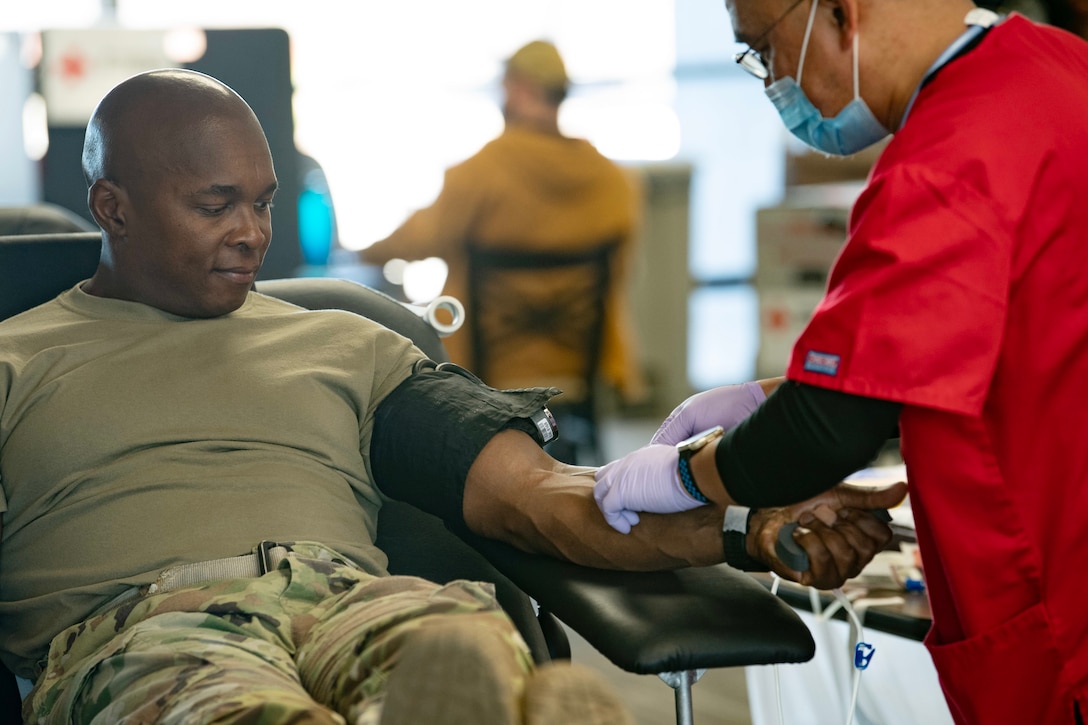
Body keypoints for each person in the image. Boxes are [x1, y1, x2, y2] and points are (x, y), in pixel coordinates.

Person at [0, 68, 906, 724]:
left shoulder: (348, 341)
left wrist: (751, 522)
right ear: (112, 207)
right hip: (147, 629)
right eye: (216, 205)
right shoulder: (15, 359)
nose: (253, 236)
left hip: (354, 598)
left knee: (457, 652)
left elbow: (541, 499)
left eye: (265, 204)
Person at [593, 1, 1088, 723]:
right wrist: (779, 396)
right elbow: (980, 340)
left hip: (1056, 601)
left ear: (840, 14)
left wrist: (684, 473)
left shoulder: (946, 161)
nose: (775, 82)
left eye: (765, 50)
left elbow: (826, 429)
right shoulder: (1055, 67)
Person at [359, 39, 646, 461]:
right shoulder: (613, 182)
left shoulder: (481, 172)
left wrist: (364, 251)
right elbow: (620, 273)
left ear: (518, 88)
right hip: (581, 364)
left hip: (486, 366)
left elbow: (423, 238)